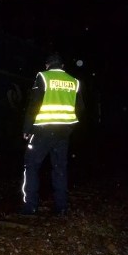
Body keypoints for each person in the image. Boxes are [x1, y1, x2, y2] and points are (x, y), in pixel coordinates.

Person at [20, 52, 83, 216]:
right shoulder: (74, 82)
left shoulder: (43, 76)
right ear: (62, 66)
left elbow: (34, 104)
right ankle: (61, 207)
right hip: (63, 132)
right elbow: (80, 108)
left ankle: (30, 206)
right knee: (60, 168)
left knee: (31, 166)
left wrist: (27, 129)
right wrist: (70, 127)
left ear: (47, 65)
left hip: (42, 130)